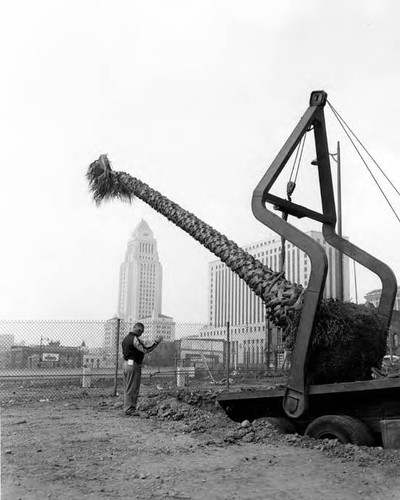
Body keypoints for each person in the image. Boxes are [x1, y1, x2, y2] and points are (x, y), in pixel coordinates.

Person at [121, 322, 163, 416]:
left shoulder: (126, 338)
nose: (141, 334)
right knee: (133, 387)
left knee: (128, 387)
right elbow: (146, 349)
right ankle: (130, 409)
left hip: (126, 364)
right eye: (142, 332)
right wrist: (156, 342)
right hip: (133, 365)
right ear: (139, 330)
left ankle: (127, 407)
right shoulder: (135, 339)